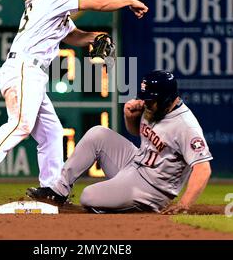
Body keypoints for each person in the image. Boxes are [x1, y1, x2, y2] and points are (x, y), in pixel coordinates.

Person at [0, 0, 148, 207]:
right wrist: (128, 1)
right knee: (21, 123)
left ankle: (52, 190)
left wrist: (97, 37)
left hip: (30, 72)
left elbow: (72, 36)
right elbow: (97, 3)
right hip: (25, 68)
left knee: (52, 132)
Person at [26, 70, 213, 214]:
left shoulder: (186, 126)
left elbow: (203, 169)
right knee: (97, 133)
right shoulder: (155, 108)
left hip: (152, 188)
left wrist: (184, 204)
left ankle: (136, 207)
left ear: (166, 99)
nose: (146, 103)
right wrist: (130, 117)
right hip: (135, 162)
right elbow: (138, 133)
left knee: (88, 196)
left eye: (151, 100)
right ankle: (58, 192)